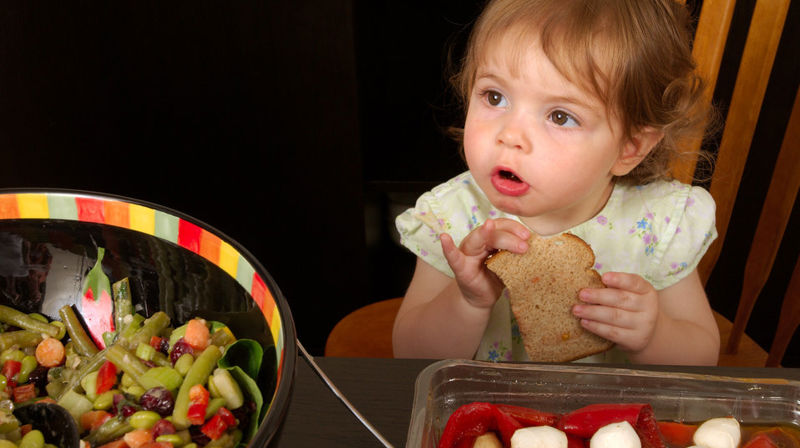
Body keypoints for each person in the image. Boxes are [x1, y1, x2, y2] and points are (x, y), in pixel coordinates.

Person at [393, 0, 720, 365]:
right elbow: (409, 356)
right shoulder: (452, 220)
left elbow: (703, 359)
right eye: (495, 97)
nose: (510, 135)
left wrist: (655, 335)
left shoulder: (659, 223)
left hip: (610, 419)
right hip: (490, 415)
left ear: (629, 148)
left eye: (560, 116)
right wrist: (466, 301)